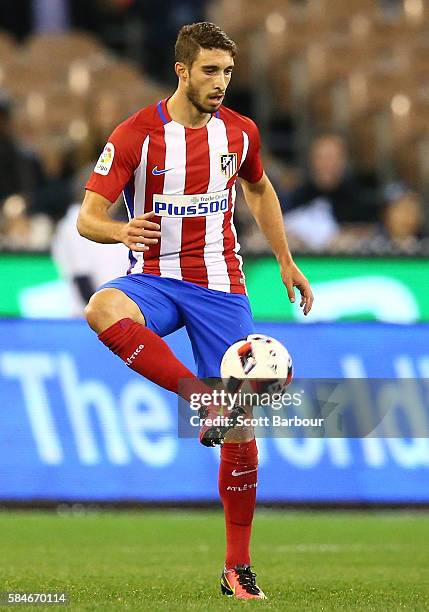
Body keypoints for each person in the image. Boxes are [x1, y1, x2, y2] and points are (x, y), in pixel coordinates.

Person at [77, 22, 313, 600]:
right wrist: (119, 229)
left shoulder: (240, 134)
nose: (221, 82)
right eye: (210, 70)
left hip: (220, 285)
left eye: (228, 72)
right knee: (102, 307)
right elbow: (89, 217)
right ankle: (200, 398)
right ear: (181, 71)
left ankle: (237, 567)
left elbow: (258, 189)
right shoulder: (137, 134)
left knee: (241, 429)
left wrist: (284, 259)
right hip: (155, 278)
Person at [284, 133, 376, 250]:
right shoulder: (294, 198)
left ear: (344, 161)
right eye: (321, 157)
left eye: (333, 157)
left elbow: (371, 231)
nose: (327, 164)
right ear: (311, 160)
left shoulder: (360, 198)